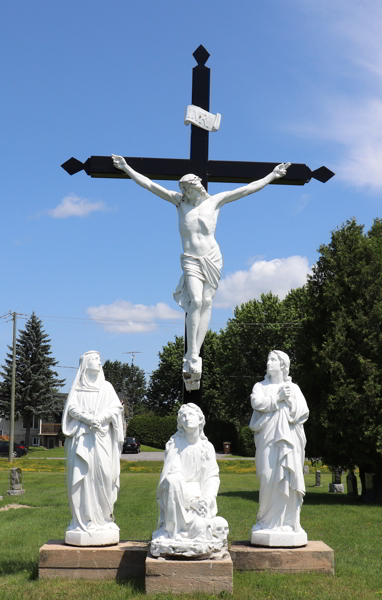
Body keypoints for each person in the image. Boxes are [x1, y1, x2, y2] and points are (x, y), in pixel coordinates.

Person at [112, 155, 290, 383]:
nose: (186, 192)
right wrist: (127, 168)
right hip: (190, 259)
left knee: (206, 302)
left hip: (212, 257)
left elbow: (247, 189)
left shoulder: (214, 201)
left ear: (198, 187)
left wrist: (272, 176)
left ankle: (195, 352)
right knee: (195, 301)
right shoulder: (178, 202)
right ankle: (192, 352)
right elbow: (149, 184)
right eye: (184, 189)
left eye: (189, 188)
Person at [62, 351, 124, 544]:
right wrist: (88, 419)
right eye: (96, 359)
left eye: (99, 359)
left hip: (102, 438)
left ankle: (104, 519)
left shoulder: (107, 387)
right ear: (86, 363)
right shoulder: (78, 388)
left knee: (105, 475)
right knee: (83, 477)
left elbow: (116, 408)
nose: (100, 363)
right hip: (82, 438)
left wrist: (101, 418)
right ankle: (84, 520)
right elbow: (71, 408)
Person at [151, 403, 227, 557]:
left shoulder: (207, 447)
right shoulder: (175, 444)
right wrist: (192, 501)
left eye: (190, 415)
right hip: (177, 497)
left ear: (200, 420)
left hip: (200, 500)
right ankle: (173, 531)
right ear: (180, 422)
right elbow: (173, 473)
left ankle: (196, 531)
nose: (186, 419)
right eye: (183, 416)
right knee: (173, 481)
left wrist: (208, 499)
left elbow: (212, 477)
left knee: (201, 526)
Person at [249, 351, 309, 539]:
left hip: (289, 442)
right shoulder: (260, 386)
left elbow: (302, 412)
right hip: (267, 437)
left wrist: (289, 398)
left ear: (283, 365)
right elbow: (257, 402)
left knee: (288, 478)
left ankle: (288, 523)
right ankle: (266, 521)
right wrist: (278, 397)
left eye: (273, 359)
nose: (268, 362)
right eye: (268, 359)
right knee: (267, 476)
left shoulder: (294, 388)